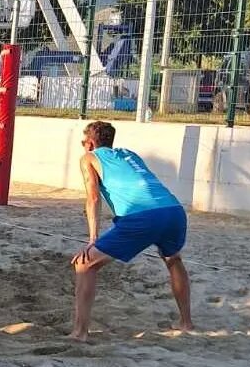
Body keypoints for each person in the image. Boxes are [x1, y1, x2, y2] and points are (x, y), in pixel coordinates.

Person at [70, 120, 194, 340]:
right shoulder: (129, 154)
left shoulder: (89, 158)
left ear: (90, 143)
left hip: (143, 216)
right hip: (174, 211)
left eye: (83, 142)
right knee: (173, 260)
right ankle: (186, 323)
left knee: (84, 263)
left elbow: (93, 198)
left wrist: (92, 239)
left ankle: (80, 333)